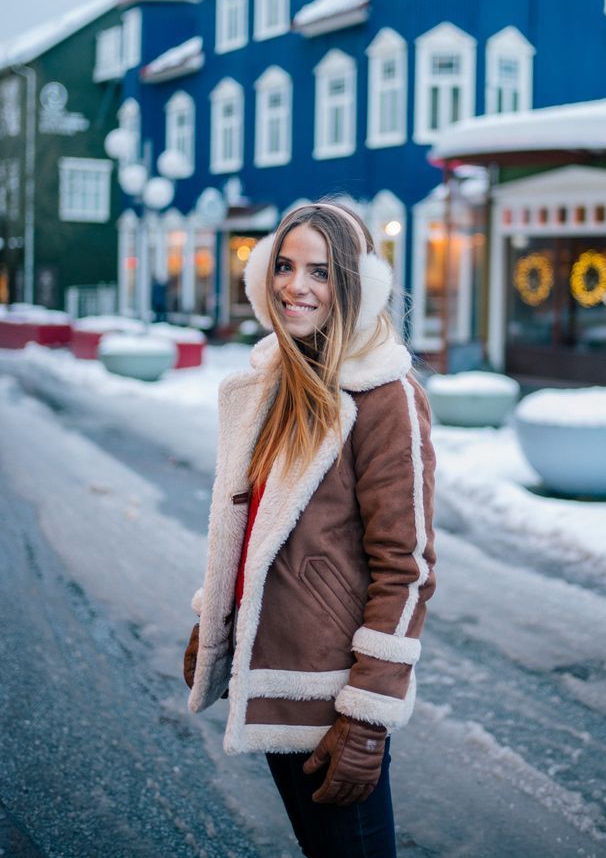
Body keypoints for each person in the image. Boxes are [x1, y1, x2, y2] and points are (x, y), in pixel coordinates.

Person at [183, 200, 436, 858]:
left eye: (321, 271)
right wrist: (215, 620)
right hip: (268, 669)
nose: (297, 285)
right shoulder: (272, 375)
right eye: (286, 265)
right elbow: (248, 526)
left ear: (355, 285)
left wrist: (367, 716)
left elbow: (406, 568)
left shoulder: (385, 392)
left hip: (334, 694)